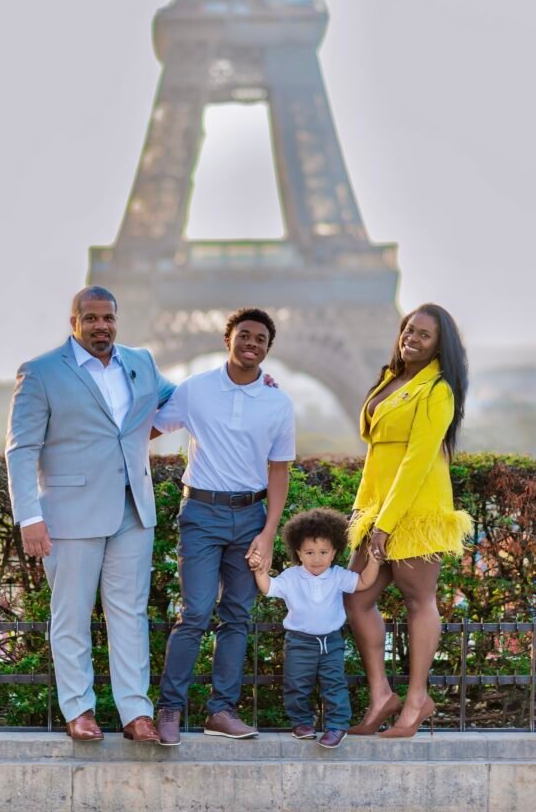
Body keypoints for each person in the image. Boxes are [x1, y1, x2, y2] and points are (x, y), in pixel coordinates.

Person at [5, 286, 174, 743]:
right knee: (72, 616)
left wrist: (248, 383)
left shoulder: (140, 362)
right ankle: (79, 710)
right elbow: (22, 450)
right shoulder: (40, 373)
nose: (102, 325)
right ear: (74, 321)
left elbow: (181, 403)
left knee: (129, 615)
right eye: (92, 317)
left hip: (132, 510)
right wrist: (29, 517)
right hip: (69, 513)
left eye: (109, 318)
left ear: (117, 320)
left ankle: (136, 713)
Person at [152, 308, 295, 746]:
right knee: (194, 612)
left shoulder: (278, 401)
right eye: (244, 335)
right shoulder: (195, 391)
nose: (252, 344)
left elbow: (279, 472)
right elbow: (145, 431)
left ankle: (221, 711)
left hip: (251, 516)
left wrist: (268, 533)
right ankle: (170, 709)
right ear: (227, 339)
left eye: (261, 340)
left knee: (237, 616)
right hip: (202, 513)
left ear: (268, 350)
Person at [345, 303, 472, 738]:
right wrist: (369, 517)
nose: (411, 339)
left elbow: (417, 461)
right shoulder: (390, 378)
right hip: (377, 509)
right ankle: (382, 694)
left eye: (424, 335)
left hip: (416, 510)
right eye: (408, 330)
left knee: (420, 601)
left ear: (440, 345)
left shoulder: (437, 389)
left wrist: (386, 523)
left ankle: (417, 699)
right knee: (354, 598)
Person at [251, 507, 379, 749]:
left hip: (331, 642)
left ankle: (337, 726)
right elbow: (269, 588)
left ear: (334, 553)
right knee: (296, 684)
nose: (317, 558)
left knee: (334, 684)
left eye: (323, 552)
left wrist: (373, 561)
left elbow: (363, 582)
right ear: (299, 552)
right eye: (309, 552)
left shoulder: (337, 575)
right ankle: (301, 723)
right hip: (300, 642)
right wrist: (260, 572)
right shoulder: (291, 576)